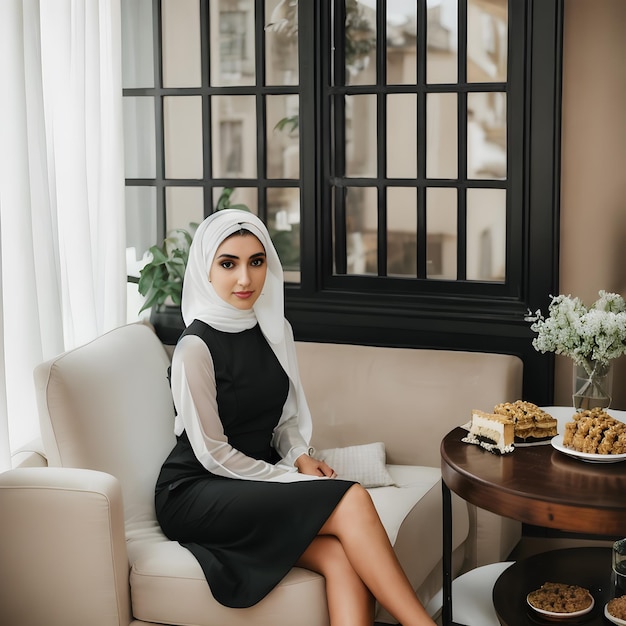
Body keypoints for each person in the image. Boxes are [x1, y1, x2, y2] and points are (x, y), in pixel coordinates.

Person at [155, 209, 436, 626]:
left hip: (249, 483)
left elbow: (283, 419)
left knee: (340, 555)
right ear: (205, 269)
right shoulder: (194, 348)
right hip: (196, 490)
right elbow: (213, 454)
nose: (245, 279)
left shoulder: (273, 328)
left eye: (257, 261)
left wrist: (300, 455)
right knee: (352, 496)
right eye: (228, 264)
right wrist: (291, 480)